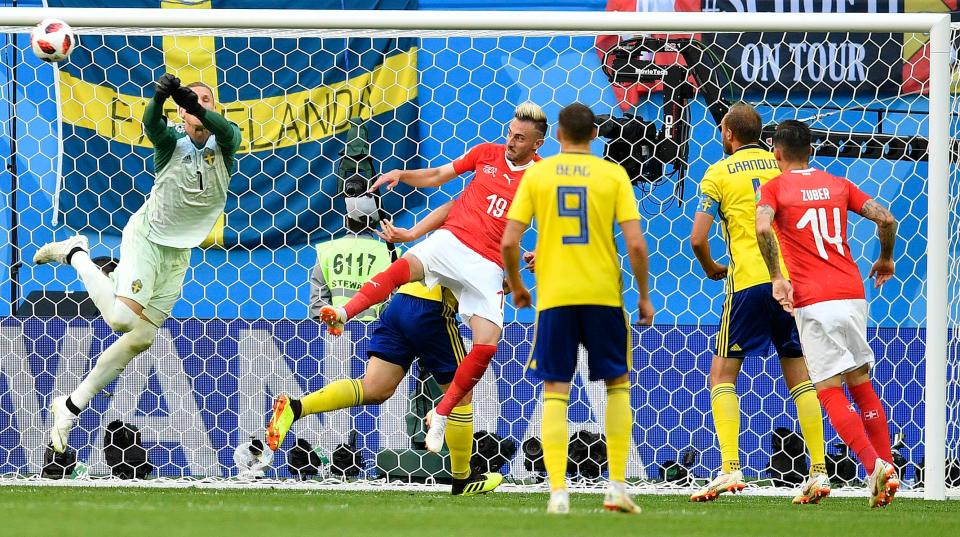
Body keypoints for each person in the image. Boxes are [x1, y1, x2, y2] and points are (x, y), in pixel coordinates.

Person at [317, 103, 548, 453]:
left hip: (487, 263)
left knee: (487, 343)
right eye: (510, 133)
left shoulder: (544, 178)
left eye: (519, 137)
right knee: (401, 269)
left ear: (537, 144)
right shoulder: (486, 154)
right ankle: (345, 313)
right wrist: (402, 174)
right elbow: (439, 175)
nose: (510, 141)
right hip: (452, 241)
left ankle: (441, 412)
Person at [35, 74, 241, 453]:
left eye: (207, 100)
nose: (200, 105)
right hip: (147, 238)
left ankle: (68, 406)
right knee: (120, 321)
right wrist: (158, 99)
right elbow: (151, 125)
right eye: (192, 101)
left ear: (214, 108)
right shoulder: (171, 143)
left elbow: (225, 130)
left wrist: (195, 105)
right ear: (180, 113)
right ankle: (76, 252)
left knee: (141, 338)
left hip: (179, 252)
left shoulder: (226, 140)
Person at [267, 201, 503, 495]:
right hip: (432, 313)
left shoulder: (445, 234)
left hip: (398, 305)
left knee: (375, 388)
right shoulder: (477, 240)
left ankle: (296, 407)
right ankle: (462, 479)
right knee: (461, 393)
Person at [502, 103, 654, 514]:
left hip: (555, 298)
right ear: (594, 136)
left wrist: (517, 287)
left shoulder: (538, 173)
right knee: (618, 386)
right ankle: (617, 487)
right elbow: (636, 244)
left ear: (556, 137)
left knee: (555, 392)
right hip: (604, 295)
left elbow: (509, 241)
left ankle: (557, 494)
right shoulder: (613, 173)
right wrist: (643, 294)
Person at [688, 103, 828, 504]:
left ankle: (730, 467)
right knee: (800, 376)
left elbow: (698, 238)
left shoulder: (717, 174)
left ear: (730, 135)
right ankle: (818, 471)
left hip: (747, 284)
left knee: (722, 375)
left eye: (722, 131)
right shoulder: (780, 166)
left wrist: (713, 266)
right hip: (790, 284)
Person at [756, 119, 899, 508]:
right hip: (852, 293)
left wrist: (776, 278)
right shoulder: (839, 184)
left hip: (814, 300)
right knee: (860, 379)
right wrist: (885, 258)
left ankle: (875, 469)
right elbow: (886, 218)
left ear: (777, 153)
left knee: (827, 388)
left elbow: (763, 227)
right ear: (812, 151)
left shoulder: (774, 187)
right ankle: (885, 469)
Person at [309, 193, 393, 321]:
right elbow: (393, 307)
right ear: (376, 222)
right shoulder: (389, 253)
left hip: (336, 335)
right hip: (374, 335)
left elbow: (318, 304)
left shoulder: (327, 250)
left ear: (347, 219)